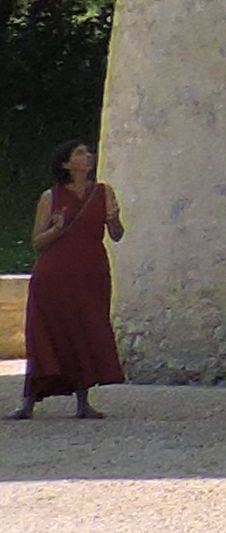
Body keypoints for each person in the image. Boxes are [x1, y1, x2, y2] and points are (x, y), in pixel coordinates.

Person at [18, 143, 126, 418]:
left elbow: (116, 235)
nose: (87, 156)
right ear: (65, 164)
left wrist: (115, 219)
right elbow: (37, 243)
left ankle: (83, 401)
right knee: (46, 332)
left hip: (91, 273)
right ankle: (29, 402)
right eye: (79, 153)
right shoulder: (50, 197)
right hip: (54, 275)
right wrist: (57, 229)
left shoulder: (104, 192)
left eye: (87, 152)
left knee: (85, 330)